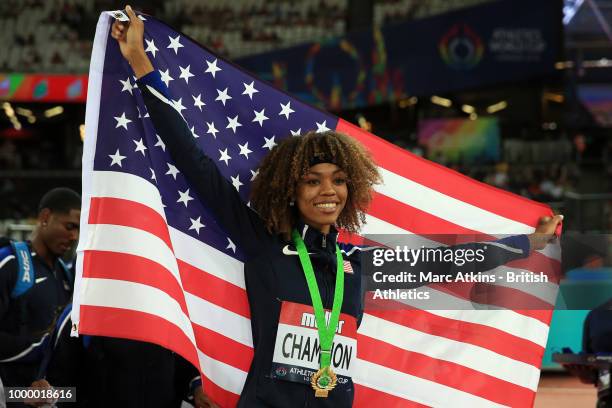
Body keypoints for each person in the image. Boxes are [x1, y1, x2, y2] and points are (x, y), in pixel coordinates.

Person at [111, 7, 562, 407]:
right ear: (291, 190)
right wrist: (141, 63)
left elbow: (449, 262)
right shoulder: (263, 243)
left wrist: (529, 242)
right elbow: (193, 161)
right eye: (312, 181)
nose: (328, 191)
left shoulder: (358, 263)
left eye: (339, 180)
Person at [26, 304, 215, 408]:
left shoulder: (171, 310)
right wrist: (43, 396)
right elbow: (57, 389)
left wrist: (197, 387)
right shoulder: (80, 313)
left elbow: (184, 364)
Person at [0, 188, 80, 397]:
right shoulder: (10, 263)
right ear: (45, 217)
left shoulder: (65, 275)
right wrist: (46, 344)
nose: (74, 236)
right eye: (70, 226)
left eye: (80, 230)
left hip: (43, 396)